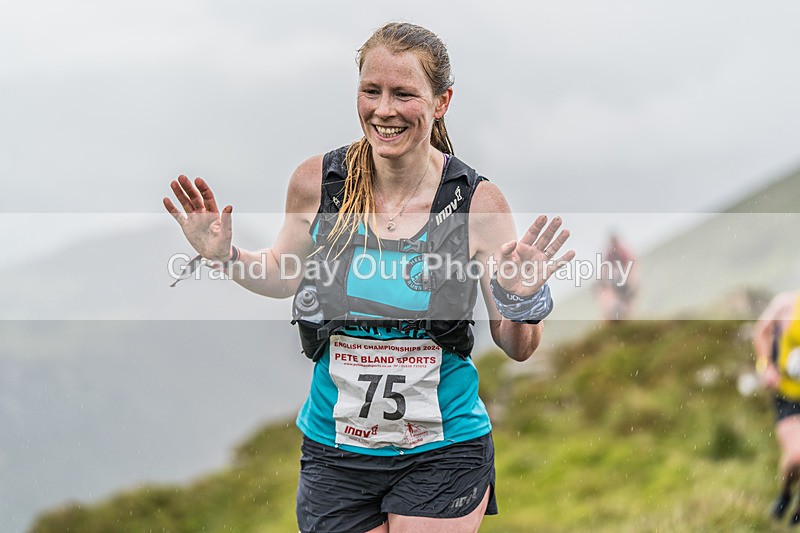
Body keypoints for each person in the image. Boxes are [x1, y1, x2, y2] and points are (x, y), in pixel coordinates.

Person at [164, 22, 574, 533]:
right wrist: (225, 255)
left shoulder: (478, 203)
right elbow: (280, 275)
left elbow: (518, 346)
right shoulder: (316, 183)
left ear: (442, 100)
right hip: (335, 452)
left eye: (404, 94)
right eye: (371, 91)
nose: (384, 109)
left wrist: (520, 298)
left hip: (443, 448)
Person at [753, 291, 800, 525]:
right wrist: (766, 366)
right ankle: (785, 493)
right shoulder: (786, 304)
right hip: (787, 396)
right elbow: (760, 332)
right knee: (797, 456)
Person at [596, 231, 638, 322]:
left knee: (627, 298)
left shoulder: (622, 251)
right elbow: (605, 267)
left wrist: (631, 278)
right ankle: (619, 316)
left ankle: (625, 316)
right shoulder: (610, 253)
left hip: (623, 277)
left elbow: (632, 263)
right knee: (618, 298)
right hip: (616, 278)